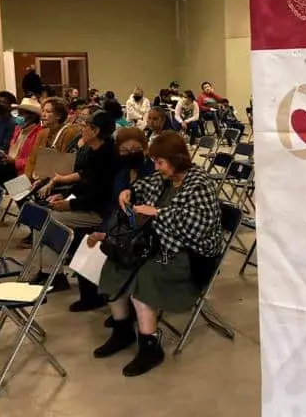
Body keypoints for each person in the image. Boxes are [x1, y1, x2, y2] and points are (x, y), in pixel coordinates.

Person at [93, 131, 222, 377]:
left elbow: (198, 228)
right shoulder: (165, 178)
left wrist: (158, 213)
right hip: (160, 243)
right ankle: (122, 330)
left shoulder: (200, 183)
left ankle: (150, 347)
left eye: (160, 162)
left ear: (176, 159)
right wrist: (128, 192)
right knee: (116, 261)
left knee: (146, 275)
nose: (156, 167)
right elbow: (143, 186)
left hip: (190, 254)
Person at [72, 127, 156, 313]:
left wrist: (109, 234)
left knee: (110, 245)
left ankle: (124, 306)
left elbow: (144, 213)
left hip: (139, 229)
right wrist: (105, 229)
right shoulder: (122, 173)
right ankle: (94, 296)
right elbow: (113, 206)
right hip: (117, 224)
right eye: (124, 150)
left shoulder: (152, 173)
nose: (130, 154)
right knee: (83, 238)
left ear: (145, 148)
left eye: (135, 149)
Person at [32, 110, 119, 288]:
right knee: (41, 215)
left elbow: (99, 195)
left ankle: (54, 275)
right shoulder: (94, 150)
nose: (82, 130)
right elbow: (83, 182)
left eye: (85, 126)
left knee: (48, 220)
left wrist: (69, 204)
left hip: (100, 211)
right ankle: (48, 270)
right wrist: (63, 196)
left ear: (95, 131)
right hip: (87, 204)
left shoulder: (108, 157)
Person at [0, 97, 47, 187]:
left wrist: (14, 161)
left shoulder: (39, 133)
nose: (18, 117)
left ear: (32, 117)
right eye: (18, 114)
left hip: (23, 173)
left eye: (21, 114)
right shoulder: (18, 129)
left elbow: (34, 161)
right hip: (10, 167)